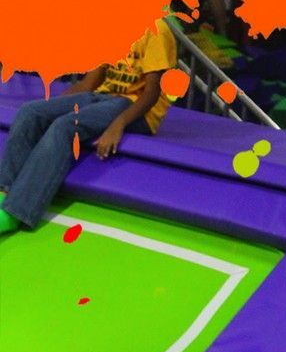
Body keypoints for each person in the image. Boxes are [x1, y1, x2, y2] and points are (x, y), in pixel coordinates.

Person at [0, 18, 177, 236]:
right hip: (102, 97)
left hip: (133, 107)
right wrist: (53, 107)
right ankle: (4, 191)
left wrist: (118, 125)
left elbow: (151, 94)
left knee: (65, 126)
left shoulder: (157, 31)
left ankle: (17, 212)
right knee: (30, 112)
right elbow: (89, 83)